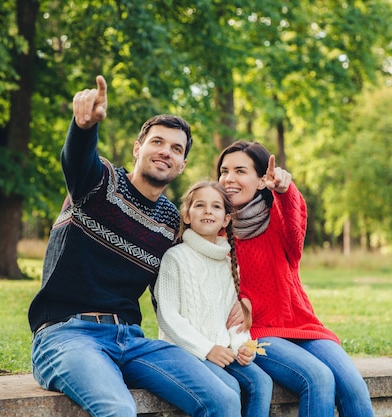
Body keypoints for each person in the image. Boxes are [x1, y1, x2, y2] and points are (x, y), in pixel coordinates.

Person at [28, 75, 242, 417]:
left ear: (182, 164)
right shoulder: (99, 184)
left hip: (131, 341)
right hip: (67, 336)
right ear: (137, 148)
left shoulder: (172, 221)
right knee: (119, 410)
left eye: (176, 149)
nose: (165, 152)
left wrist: (241, 302)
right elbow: (76, 160)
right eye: (157, 142)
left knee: (226, 399)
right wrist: (83, 128)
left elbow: (199, 266)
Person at [218, 141, 374, 417]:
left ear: (261, 179)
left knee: (353, 387)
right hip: (257, 332)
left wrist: (284, 189)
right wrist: (242, 301)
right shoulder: (217, 230)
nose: (229, 179)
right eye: (224, 171)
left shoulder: (277, 221)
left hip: (302, 325)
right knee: (318, 379)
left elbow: (295, 219)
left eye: (240, 171)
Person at [154, 180, 273, 417]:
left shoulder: (228, 264)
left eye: (216, 207)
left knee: (262, 383)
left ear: (226, 219)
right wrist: (208, 349)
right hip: (187, 352)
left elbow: (233, 318)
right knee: (228, 388)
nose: (208, 211)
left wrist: (241, 347)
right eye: (200, 205)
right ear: (187, 215)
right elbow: (168, 316)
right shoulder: (175, 258)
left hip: (222, 352)